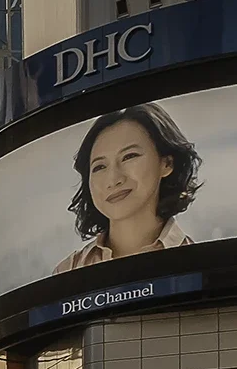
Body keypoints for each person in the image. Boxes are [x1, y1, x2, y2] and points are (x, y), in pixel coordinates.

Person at [54, 103, 200, 273]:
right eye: (100, 167)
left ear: (167, 163)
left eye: (129, 156)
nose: (113, 180)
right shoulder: (67, 271)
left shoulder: (198, 265)